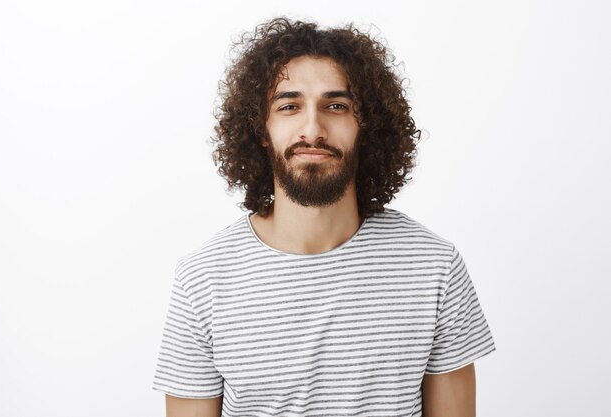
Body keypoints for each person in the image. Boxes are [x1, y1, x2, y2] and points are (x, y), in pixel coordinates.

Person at [152, 17, 496, 417]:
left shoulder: (434, 268)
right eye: (289, 106)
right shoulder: (203, 280)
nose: (312, 129)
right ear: (261, 129)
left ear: (365, 127)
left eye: (336, 106)